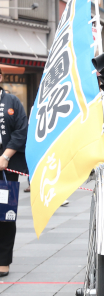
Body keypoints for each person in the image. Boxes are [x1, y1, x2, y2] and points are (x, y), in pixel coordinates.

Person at [0, 72, 28, 277]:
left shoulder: (12, 101)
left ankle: (3, 261)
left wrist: (6, 156)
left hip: (6, 170)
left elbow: (21, 130)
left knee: (5, 216)